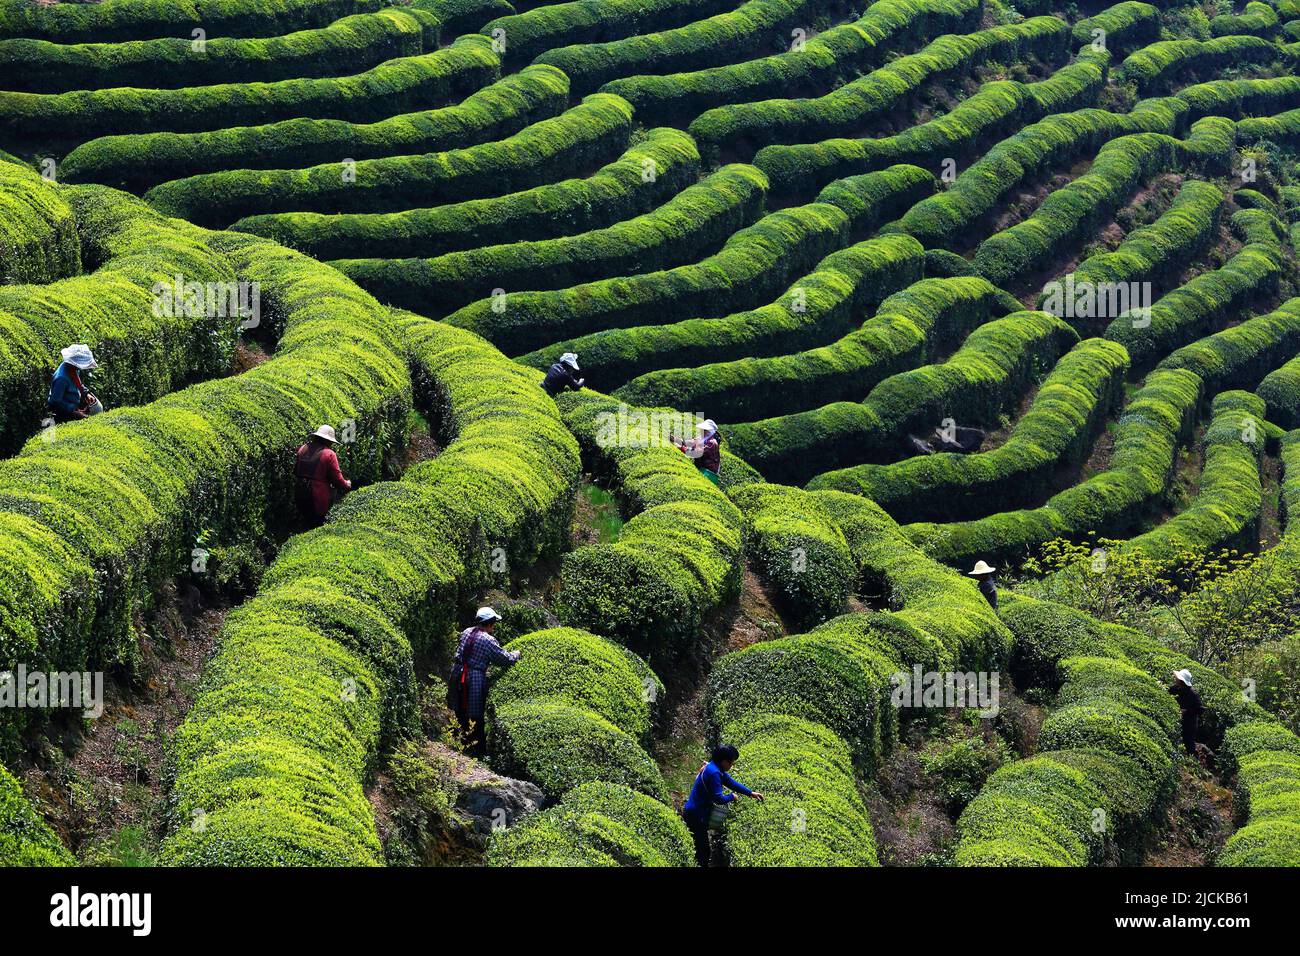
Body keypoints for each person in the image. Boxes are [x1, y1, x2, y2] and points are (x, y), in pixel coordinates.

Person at [449, 607, 519, 757]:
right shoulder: (488, 640)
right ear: (489, 623)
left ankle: (461, 742)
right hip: (473, 677)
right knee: (476, 714)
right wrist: (516, 654)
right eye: (493, 623)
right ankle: (478, 750)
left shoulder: (467, 631)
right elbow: (504, 659)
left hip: (457, 672)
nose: (494, 626)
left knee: (459, 708)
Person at [681, 744, 764, 867]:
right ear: (724, 761)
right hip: (697, 815)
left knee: (699, 846)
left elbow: (730, 782)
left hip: (694, 810)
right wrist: (732, 797)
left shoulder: (714, 767)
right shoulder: (714, 773)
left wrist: (750, 793)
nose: (732, 766)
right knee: (702, 851)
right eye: (731, 763)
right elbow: (718, 798)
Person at [294, 425, 351, 527]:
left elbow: (295, 470)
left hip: (299, 490)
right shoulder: (329, 454)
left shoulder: (303, 448)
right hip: (318, 496)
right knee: (317, 525)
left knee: (304, 522)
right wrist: (347, 484)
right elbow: (337, 479)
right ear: (328, 441)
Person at [47, 344, 105, 423]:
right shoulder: (61, 379)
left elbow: (77, 383)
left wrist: (85, 393)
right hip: (62, 414)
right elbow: (55, 402)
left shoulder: (72, 368)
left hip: (72, 405)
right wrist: (74, 412)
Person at [1169, 669, 1206, 761]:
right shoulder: (1175, 689)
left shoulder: (1193, 694)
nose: (1175, 679)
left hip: (1190, 723)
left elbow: (1200, 709)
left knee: (1189, 743)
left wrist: (1187, 711)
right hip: (1177, 720)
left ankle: (1193, 763)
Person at [676, 419, 722, 485]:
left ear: (709, 432)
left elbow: (697, 453)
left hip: (708, 473)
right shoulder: (702, 439)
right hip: (701, 469)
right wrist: (676, 440)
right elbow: (691, 442)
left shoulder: (712, 443)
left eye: (704, 430)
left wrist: (681, 448)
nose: (701, 431)